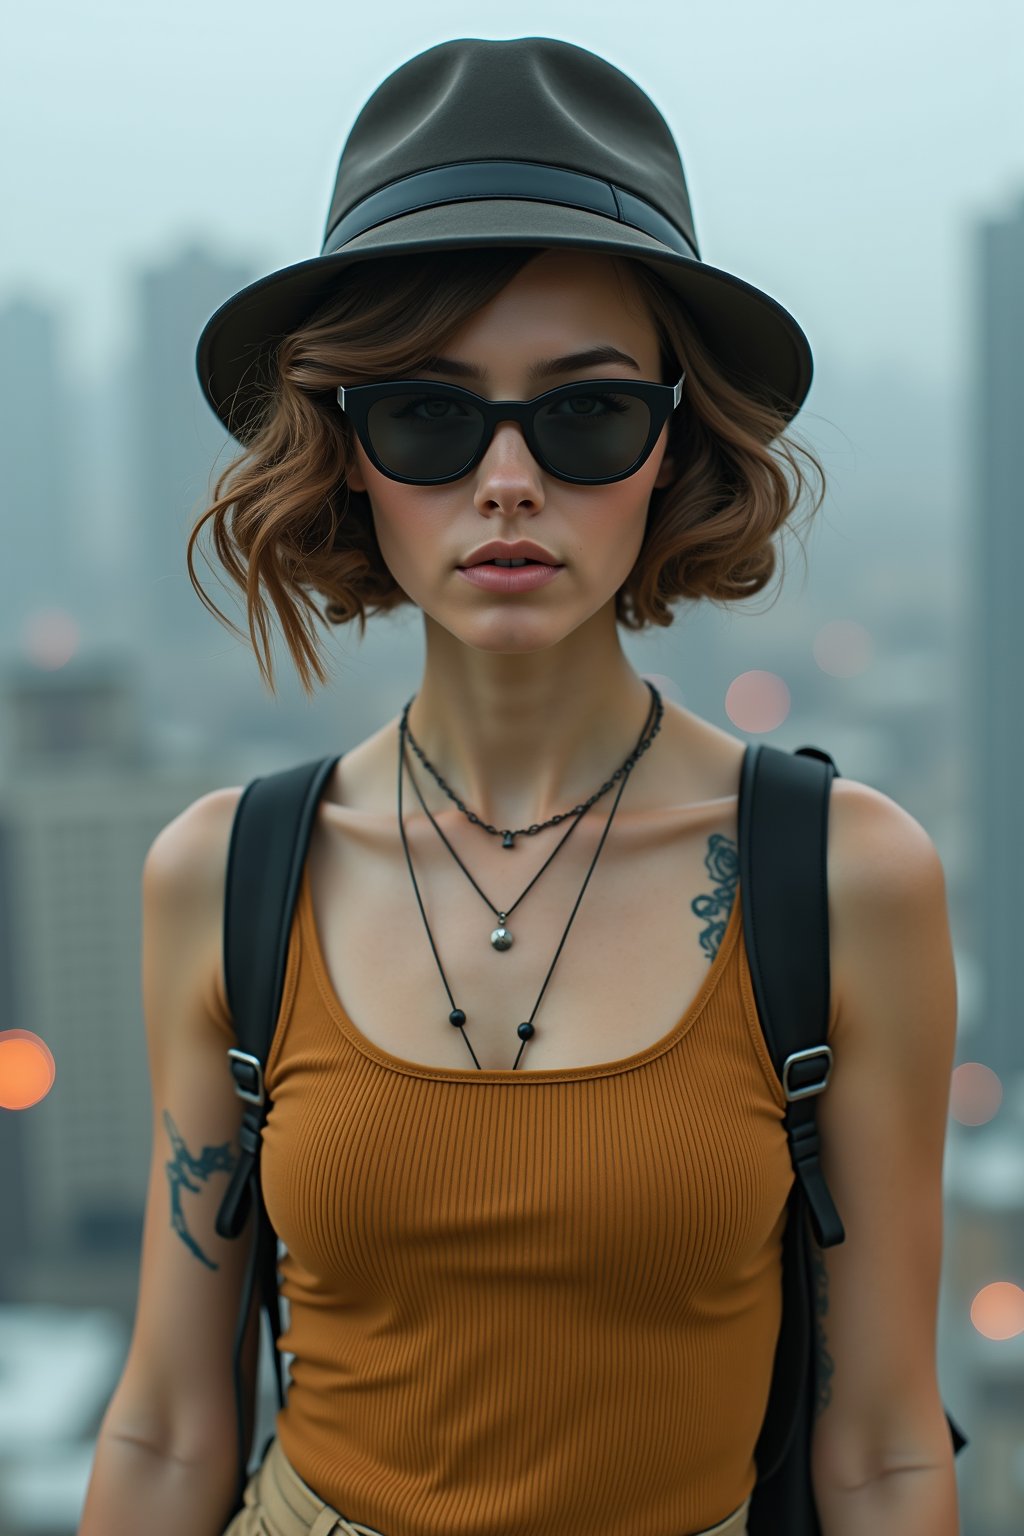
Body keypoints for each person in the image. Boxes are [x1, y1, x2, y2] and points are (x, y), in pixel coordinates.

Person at [78, 36, 961, 1536]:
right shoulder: (225, 877)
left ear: (674, 446)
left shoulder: (844, 881)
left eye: (583, 412)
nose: (507, 480)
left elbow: (879, 1444)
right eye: (429, 414)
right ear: (349, 448)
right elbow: (169, 1422)